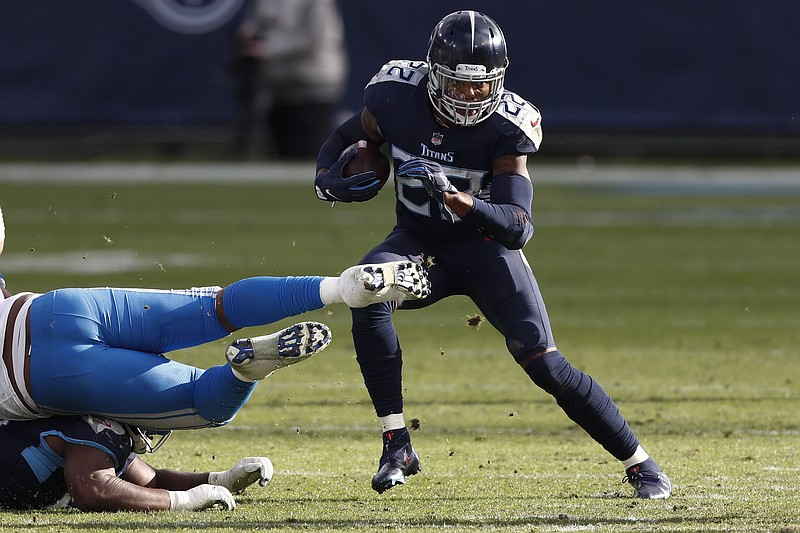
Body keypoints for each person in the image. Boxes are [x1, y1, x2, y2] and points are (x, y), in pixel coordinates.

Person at [313, 10, 672, 499]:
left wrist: (462, 200)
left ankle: (641, 464)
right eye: (459, 85)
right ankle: (396, 442)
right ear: (435, 74)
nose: (470, 97)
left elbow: (517, 227)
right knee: (366, 290)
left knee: (544, 363)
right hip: (418, 243)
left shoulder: (506, 127)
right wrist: (327, 179)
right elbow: (348, 135)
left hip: (486, 252)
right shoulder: (395, 95)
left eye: (481, 88)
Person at [0, 260, 429, 431]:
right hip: (54, 309)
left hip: (32, 376)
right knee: (216, 308)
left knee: (203, 402)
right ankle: (339, 288)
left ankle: (249, 368)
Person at [0, 413, 274, 511]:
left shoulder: (107, 432)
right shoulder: (100, 428)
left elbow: (151, 481)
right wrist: (183, 502)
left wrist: (221, 480)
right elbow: (93, 491)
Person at [235, 0, 348, 158]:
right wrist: (251, 31)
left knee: (312, 155)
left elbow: (311, 38)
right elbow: (256, 22)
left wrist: (267, 50)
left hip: (313, 87)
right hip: (279, 90)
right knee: (282, 155)